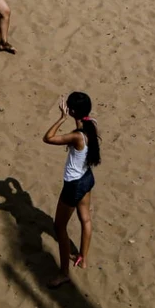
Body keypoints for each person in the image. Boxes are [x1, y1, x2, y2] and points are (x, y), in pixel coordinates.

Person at [43, 92, 101, 287]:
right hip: (87, 178)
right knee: (85, 219)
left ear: (72, 111)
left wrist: (61, 118)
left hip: (74, 185)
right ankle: (83, 259)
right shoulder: (91, 125)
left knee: (59, 227)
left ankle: (64, 273)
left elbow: (48, 138)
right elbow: (80, 126)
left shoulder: (76, 137)